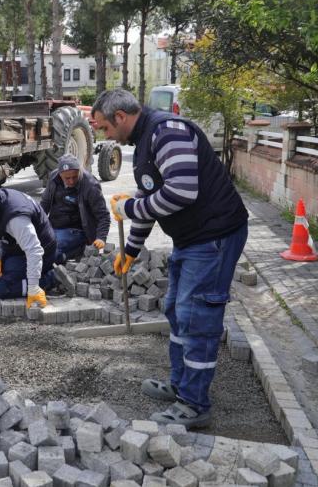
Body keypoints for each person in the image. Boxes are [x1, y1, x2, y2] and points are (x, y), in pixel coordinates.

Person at [91, 89, 248, 429]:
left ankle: (194, 405)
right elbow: (153, 196)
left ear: (120, 118)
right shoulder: (147, 141)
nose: (104, 135)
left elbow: (181, 192)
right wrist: (131, 250)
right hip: (192, 238)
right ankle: (181, 386)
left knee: (198, 319)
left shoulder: (168, 132)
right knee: (176, 309)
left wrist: (127, 207)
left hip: (215, 236)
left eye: (104, 128)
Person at [0, 189, 57, 308]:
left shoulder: (16, 219)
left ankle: (51, 278)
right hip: (19, 249)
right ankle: (37, 274)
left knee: (0, 289)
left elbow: (34, 251)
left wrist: (33, 287)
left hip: (44, 253)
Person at [40, 153, 110, 260]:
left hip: (77, 230)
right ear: (60, 174)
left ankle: (71, 253)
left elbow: (103, 215)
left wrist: (101, 238)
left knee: (51, 249)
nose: (71, 181)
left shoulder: (90, 185)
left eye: (74, 177)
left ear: (79, 171)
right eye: (67, 178)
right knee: (35, 245)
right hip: (53, 227)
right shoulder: (54, 178)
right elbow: (44, 204)